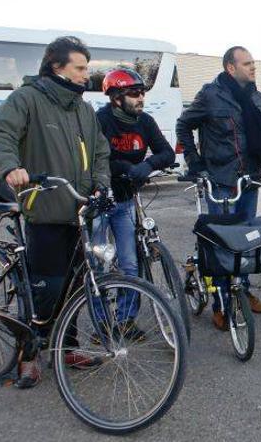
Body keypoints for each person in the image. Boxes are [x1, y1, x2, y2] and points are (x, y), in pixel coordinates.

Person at [0, 36, 111, 388]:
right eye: (80, 68)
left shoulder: (84, 110)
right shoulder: (28, 99)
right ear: (57, 67)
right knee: (46, 288)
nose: (87, 75)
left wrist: (100, 182)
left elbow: (100, 152)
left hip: (80, 212)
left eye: (87, 68)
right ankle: (28, 353)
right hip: (44, 210)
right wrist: (10, 167)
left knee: (75, 285)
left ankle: (66, 347)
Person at [176, 46, 261, 330]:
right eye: (247, 63)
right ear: (231, 67)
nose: (253, 67)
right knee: (221, 241)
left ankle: (241, 290)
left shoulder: (256, 96)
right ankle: (220, 301)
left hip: (250, 178)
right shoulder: (210, 94)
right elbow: (183, 125)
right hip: (220, 178)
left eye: (254, 62)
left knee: (247, 238)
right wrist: (194, 161)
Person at [94, 68, 175, 340]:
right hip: (100, 201)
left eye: (143, 92)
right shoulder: (101, 120)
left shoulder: (145, 121)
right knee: (98, 266)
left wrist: (148, 164)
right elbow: (96, 157)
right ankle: (102, 325)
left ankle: (125, 320)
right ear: (116, 97)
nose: (141, 98)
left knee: (130, 264)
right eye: (134, 93)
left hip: (126, 201)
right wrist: (125, 166)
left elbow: (167, 153)